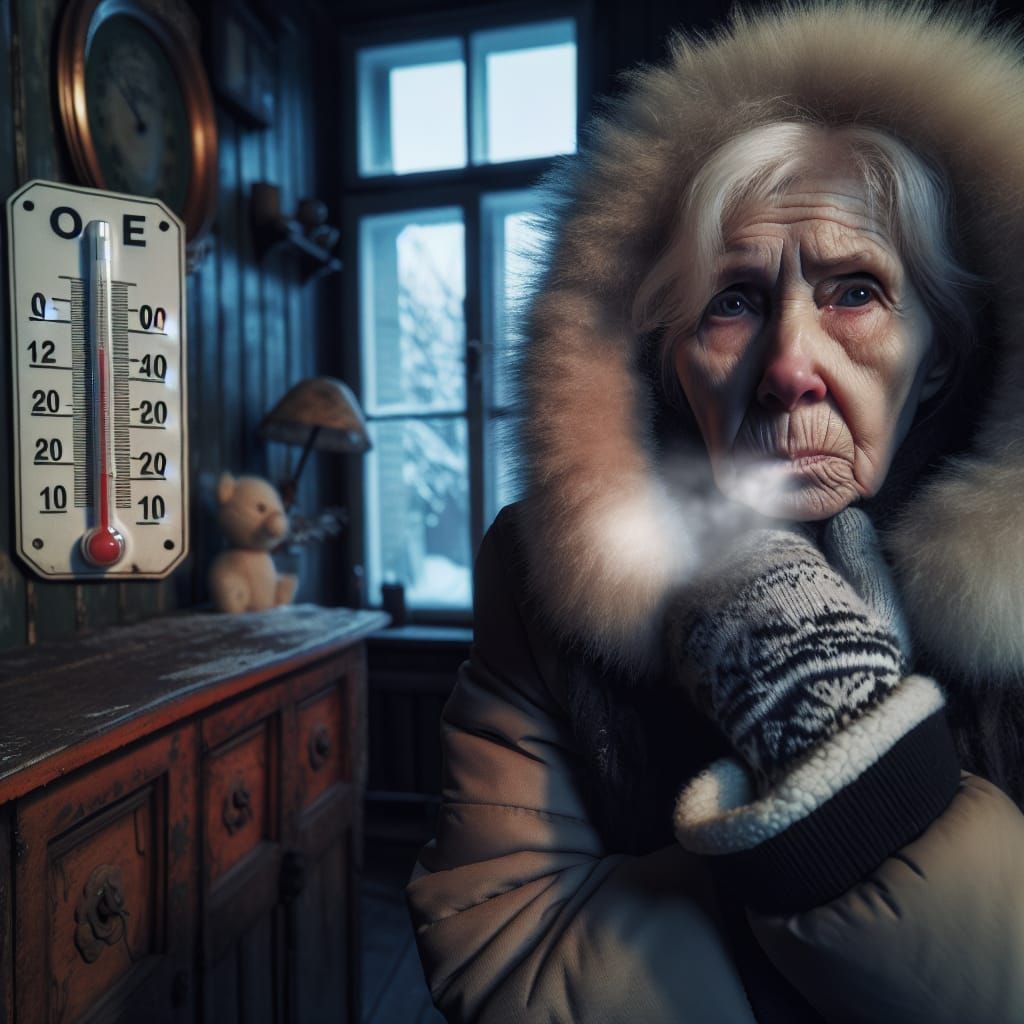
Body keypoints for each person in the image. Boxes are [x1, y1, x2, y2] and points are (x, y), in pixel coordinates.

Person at [405, 3, 1024, 1021]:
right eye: (730, 302)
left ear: (942, 353)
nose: (789, 367)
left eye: (854, 291)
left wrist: (834, 749)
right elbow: (506, 938)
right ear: (666, 359)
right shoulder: (538, 570)